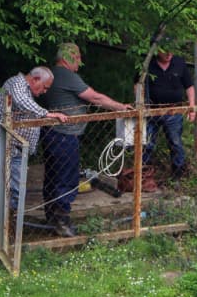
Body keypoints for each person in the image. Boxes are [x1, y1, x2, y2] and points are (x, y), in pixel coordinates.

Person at [39, 43, 132, 237]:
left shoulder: (53, 75)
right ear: (68, 58)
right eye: (78, 58)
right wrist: (121, 107)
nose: (80, 62)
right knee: (66, 178)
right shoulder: (66, 76)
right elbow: (95, 98)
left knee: (53, 177)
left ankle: (52, 216)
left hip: (52, 134)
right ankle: (62, 221)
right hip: (65, 136)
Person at [0, 66, 68, 248]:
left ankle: (2, 237)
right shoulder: (16, 83)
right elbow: (21, 101)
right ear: (35, 79)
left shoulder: (27, 92)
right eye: (44, 87)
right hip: (3, 145)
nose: (44, 92)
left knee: (9, 191)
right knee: (11, 191)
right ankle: (0, 239)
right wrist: (47, 114)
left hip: (14, 149)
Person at [140, 38, 196, 180]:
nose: (169, 54)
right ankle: (144, 174)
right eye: (165, 51)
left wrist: (192, 107)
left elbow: (189, 86)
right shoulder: (148, 63)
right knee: (146, 143)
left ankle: (178, 174)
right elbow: (138, 84)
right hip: (151, 111)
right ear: (157, 50)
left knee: (175, 142)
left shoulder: (179, 63)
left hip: (173, 111)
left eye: (171, 50)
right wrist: (141, 104)